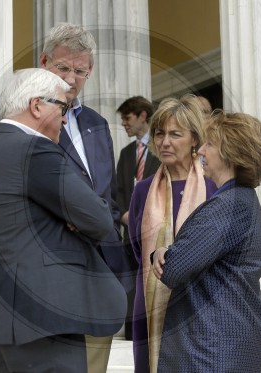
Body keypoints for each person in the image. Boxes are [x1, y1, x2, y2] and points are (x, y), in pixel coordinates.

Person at [0, 23, 130, 372]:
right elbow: (16, 183)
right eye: (63, 68)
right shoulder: (20, 113)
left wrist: (103, 236)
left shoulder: (98, 124)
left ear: (90, 71)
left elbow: (108, 199)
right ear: (44, 61)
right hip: (52, 278)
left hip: (99, 271)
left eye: (79, 70)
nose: (71, 78)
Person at [152, 111, 261, 372]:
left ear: (230, 152)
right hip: (222, 342)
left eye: (210, 143)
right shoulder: (241, 200)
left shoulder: (228, 205)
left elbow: (173, 269)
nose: (200, 150)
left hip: (210, 348)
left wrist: (161, 252)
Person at [128, 94, 217, 372]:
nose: (164, 142)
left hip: (202, 305)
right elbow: (134, 246)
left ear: (194, 139)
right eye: (159, 133)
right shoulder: (142, 190)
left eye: (175, 134)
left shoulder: (214, 187)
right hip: (150, 305)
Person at [115, 96, 161, 340]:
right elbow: (118, 190)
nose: (124, 123)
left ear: (143, 116)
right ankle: (133, 333)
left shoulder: (161, 148)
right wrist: (126, 215)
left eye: (127, 117)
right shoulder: (125, 153)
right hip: (128, 233)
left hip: (156, 232)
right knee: (130, 285)